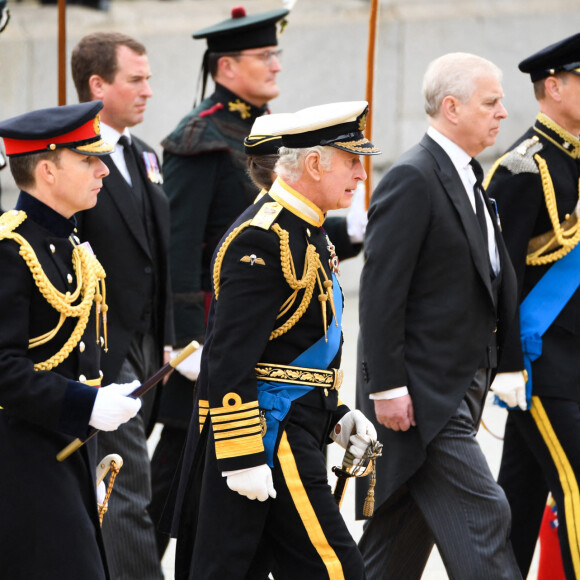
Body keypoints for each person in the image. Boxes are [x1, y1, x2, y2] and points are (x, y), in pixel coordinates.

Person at [172, 101, 381, 580]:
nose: (361, 174)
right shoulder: (261, 238)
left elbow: (291, 350)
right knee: (337, 570)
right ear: (313, 163)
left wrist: (335, 413)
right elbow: (229, 358)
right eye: (352, 161)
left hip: (297, 426)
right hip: (269, 436)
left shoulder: (306, 231)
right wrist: (244, 455)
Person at [356, 52, 521, 579]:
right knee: (483, 515)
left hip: (459, 386)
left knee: (398, 537)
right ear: (451, 107)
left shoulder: (471, 179)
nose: (502, 113)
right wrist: (385, 387)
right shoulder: (413, 177)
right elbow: (382, 293)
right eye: (491, 102)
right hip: (423, 395)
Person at [151, 5, 289, 557]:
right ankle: (126, 561)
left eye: (276, 53)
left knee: (201, 480)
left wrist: (348, 229)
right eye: (264, 56)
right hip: (211, 334)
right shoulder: (199, 138)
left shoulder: (269, 131)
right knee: (176, 471)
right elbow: (180, 249)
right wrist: (186, 339)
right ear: (227, 68)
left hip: (257, 328)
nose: (276, 65)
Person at [0, 101, 141, 579]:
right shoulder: (10, 251)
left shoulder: (72, 247)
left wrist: (96, 402)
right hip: (20, 463)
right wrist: (84, 404)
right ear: (47, 171)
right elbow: (3, 370)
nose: (102, 168)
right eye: (87, 160)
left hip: (68, 457)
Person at [71, 32, 173, 579]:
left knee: (118, 484)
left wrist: (174, 334)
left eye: (148, 79)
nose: (148, 91)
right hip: (101, 348)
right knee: (127, 482)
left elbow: (162, 255)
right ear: (97, 84)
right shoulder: (72, 157)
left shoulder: (143, 154)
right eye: (135, 80)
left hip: (148, 342)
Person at [484, 32, 580, 580]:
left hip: (571, 359)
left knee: (519, 497)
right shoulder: (523, 168)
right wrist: (507, 362)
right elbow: (500, 276)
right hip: (540, 365)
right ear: (553, 87)